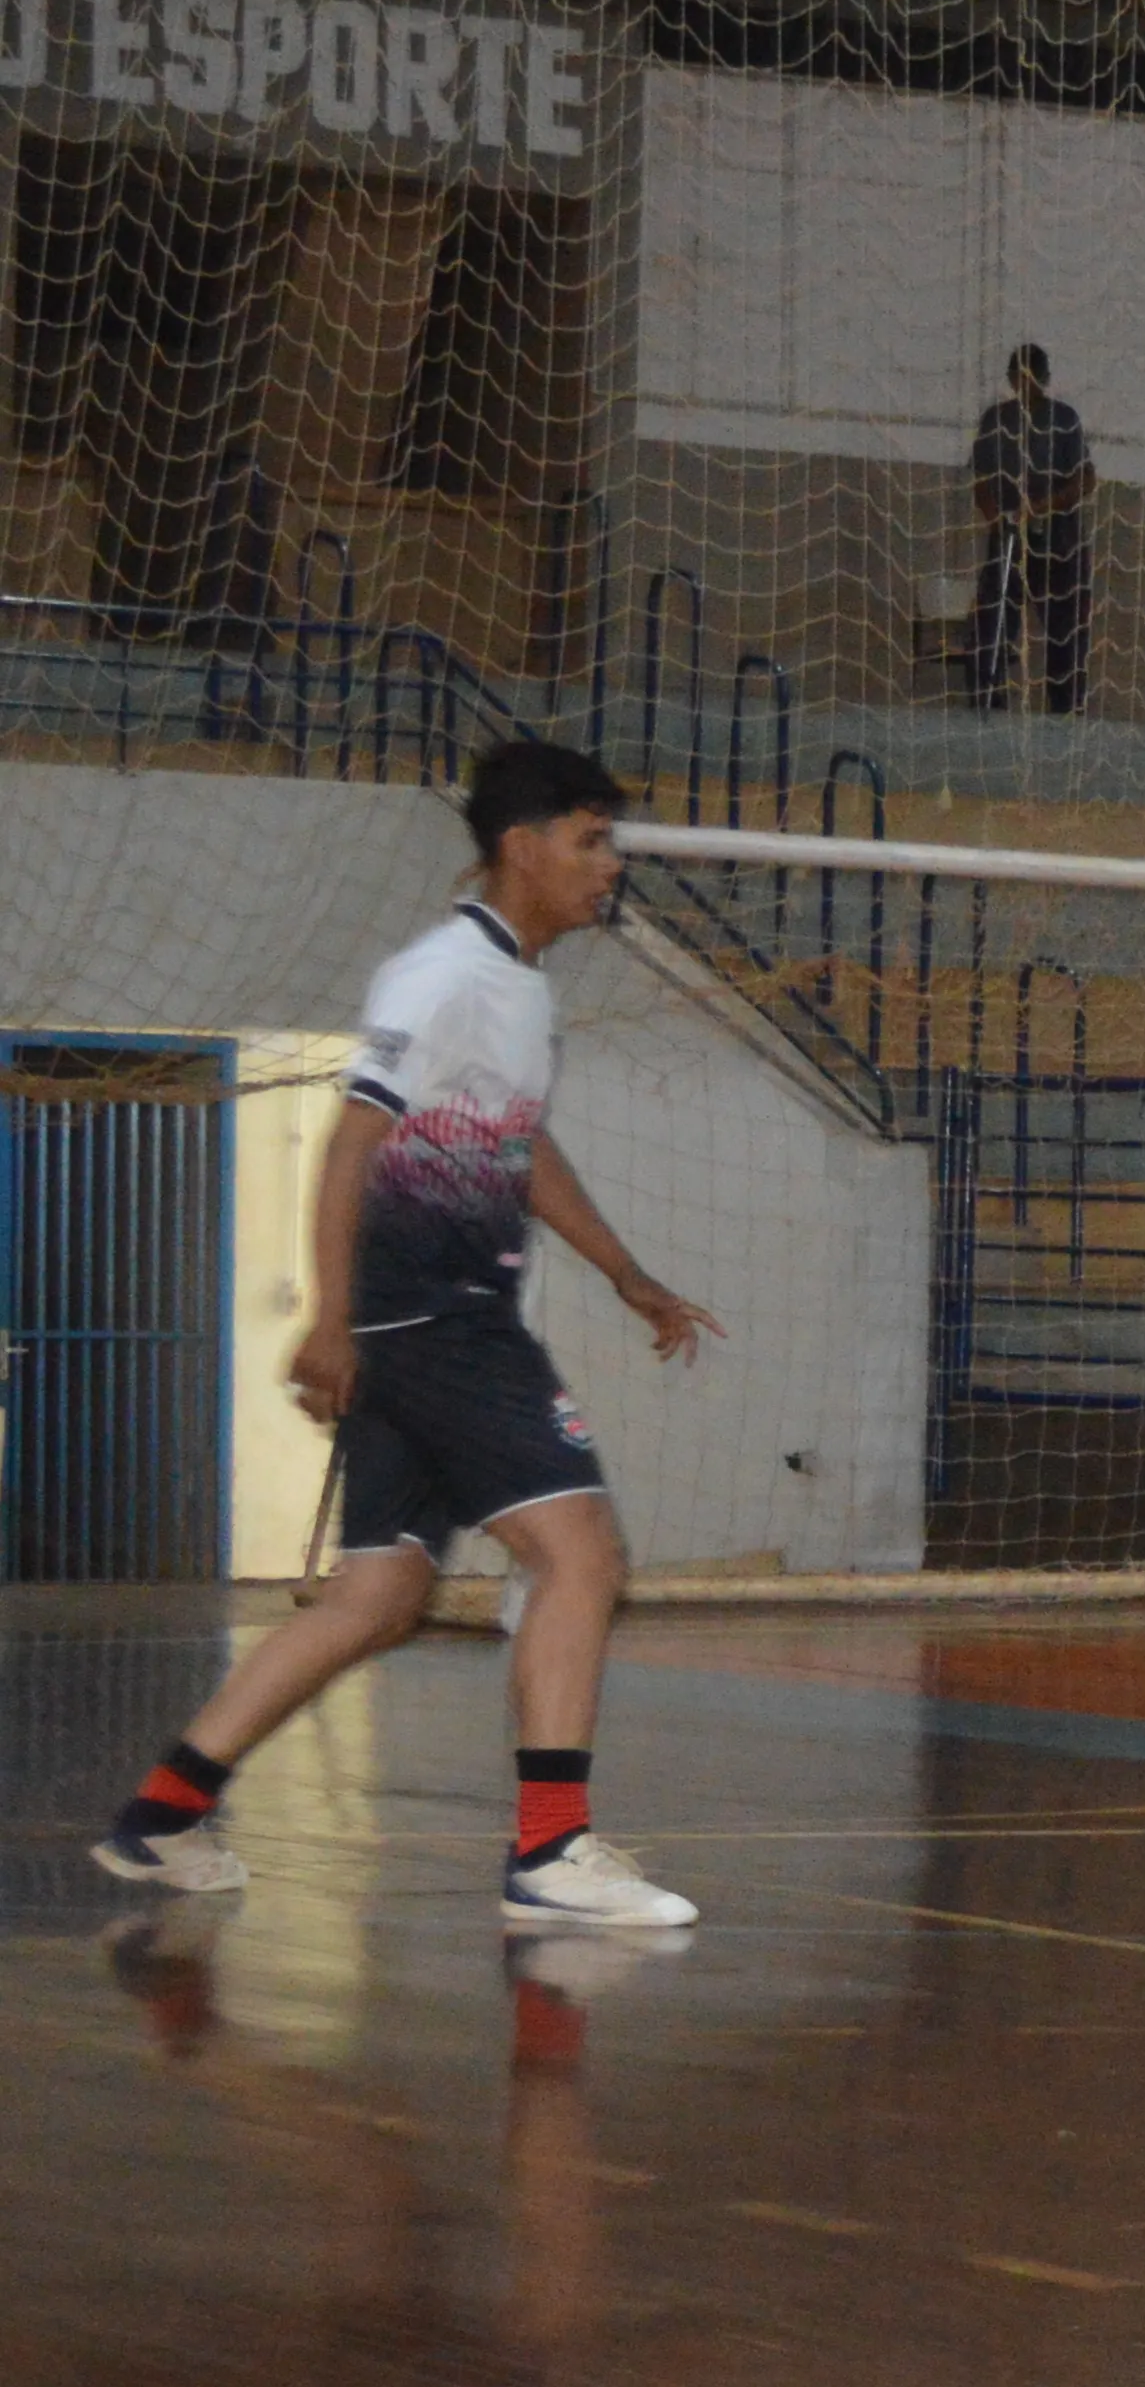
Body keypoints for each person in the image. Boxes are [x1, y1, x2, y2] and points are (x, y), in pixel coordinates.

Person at [93, 738, 725, 1931]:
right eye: (591, 842)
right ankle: (549, 1851)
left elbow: (518, 1146)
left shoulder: (524, 991)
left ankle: (162, 1816)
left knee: (375, 1600)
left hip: (430, 1322)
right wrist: (330, 1320)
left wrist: (628, 1275)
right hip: (433, 1323)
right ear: (521, 846)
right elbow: (349, 1145)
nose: (609, 867)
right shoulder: (440, 975)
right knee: (581, 1557)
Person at [968, 342, 1097, 715]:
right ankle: (987, 697)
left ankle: (1067, 706)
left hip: (1059, 540)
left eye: (1031, 380)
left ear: (1045, 380)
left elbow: (1084, 480)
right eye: (1017, 379)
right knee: (992, 618)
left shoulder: (1064, 420)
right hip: (1009, 538)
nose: (1024, 387)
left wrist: (1042, 508)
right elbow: (982, 480)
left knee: (1066, 629)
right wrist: (999, 521)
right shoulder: (996, 421)